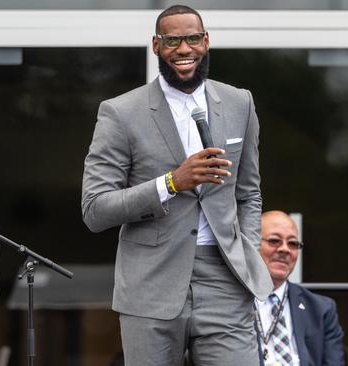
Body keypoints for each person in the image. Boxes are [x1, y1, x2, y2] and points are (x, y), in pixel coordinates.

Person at [81, 5, 272, 365]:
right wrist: (171, 183)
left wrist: (248, 248)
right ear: (156, 45)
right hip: (151, 284)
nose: (184, 50)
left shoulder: (239, 102)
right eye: (172, 40)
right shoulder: (120, 113)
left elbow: (249, 193)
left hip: (225, 278)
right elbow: (95, 209)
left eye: (193, 38)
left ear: (206, 41)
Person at [256, 210, 345, 366]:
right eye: (274, 241)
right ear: (253, 242)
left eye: (293, 243)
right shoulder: (231, 302)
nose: (285, 249)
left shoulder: (321, 309)